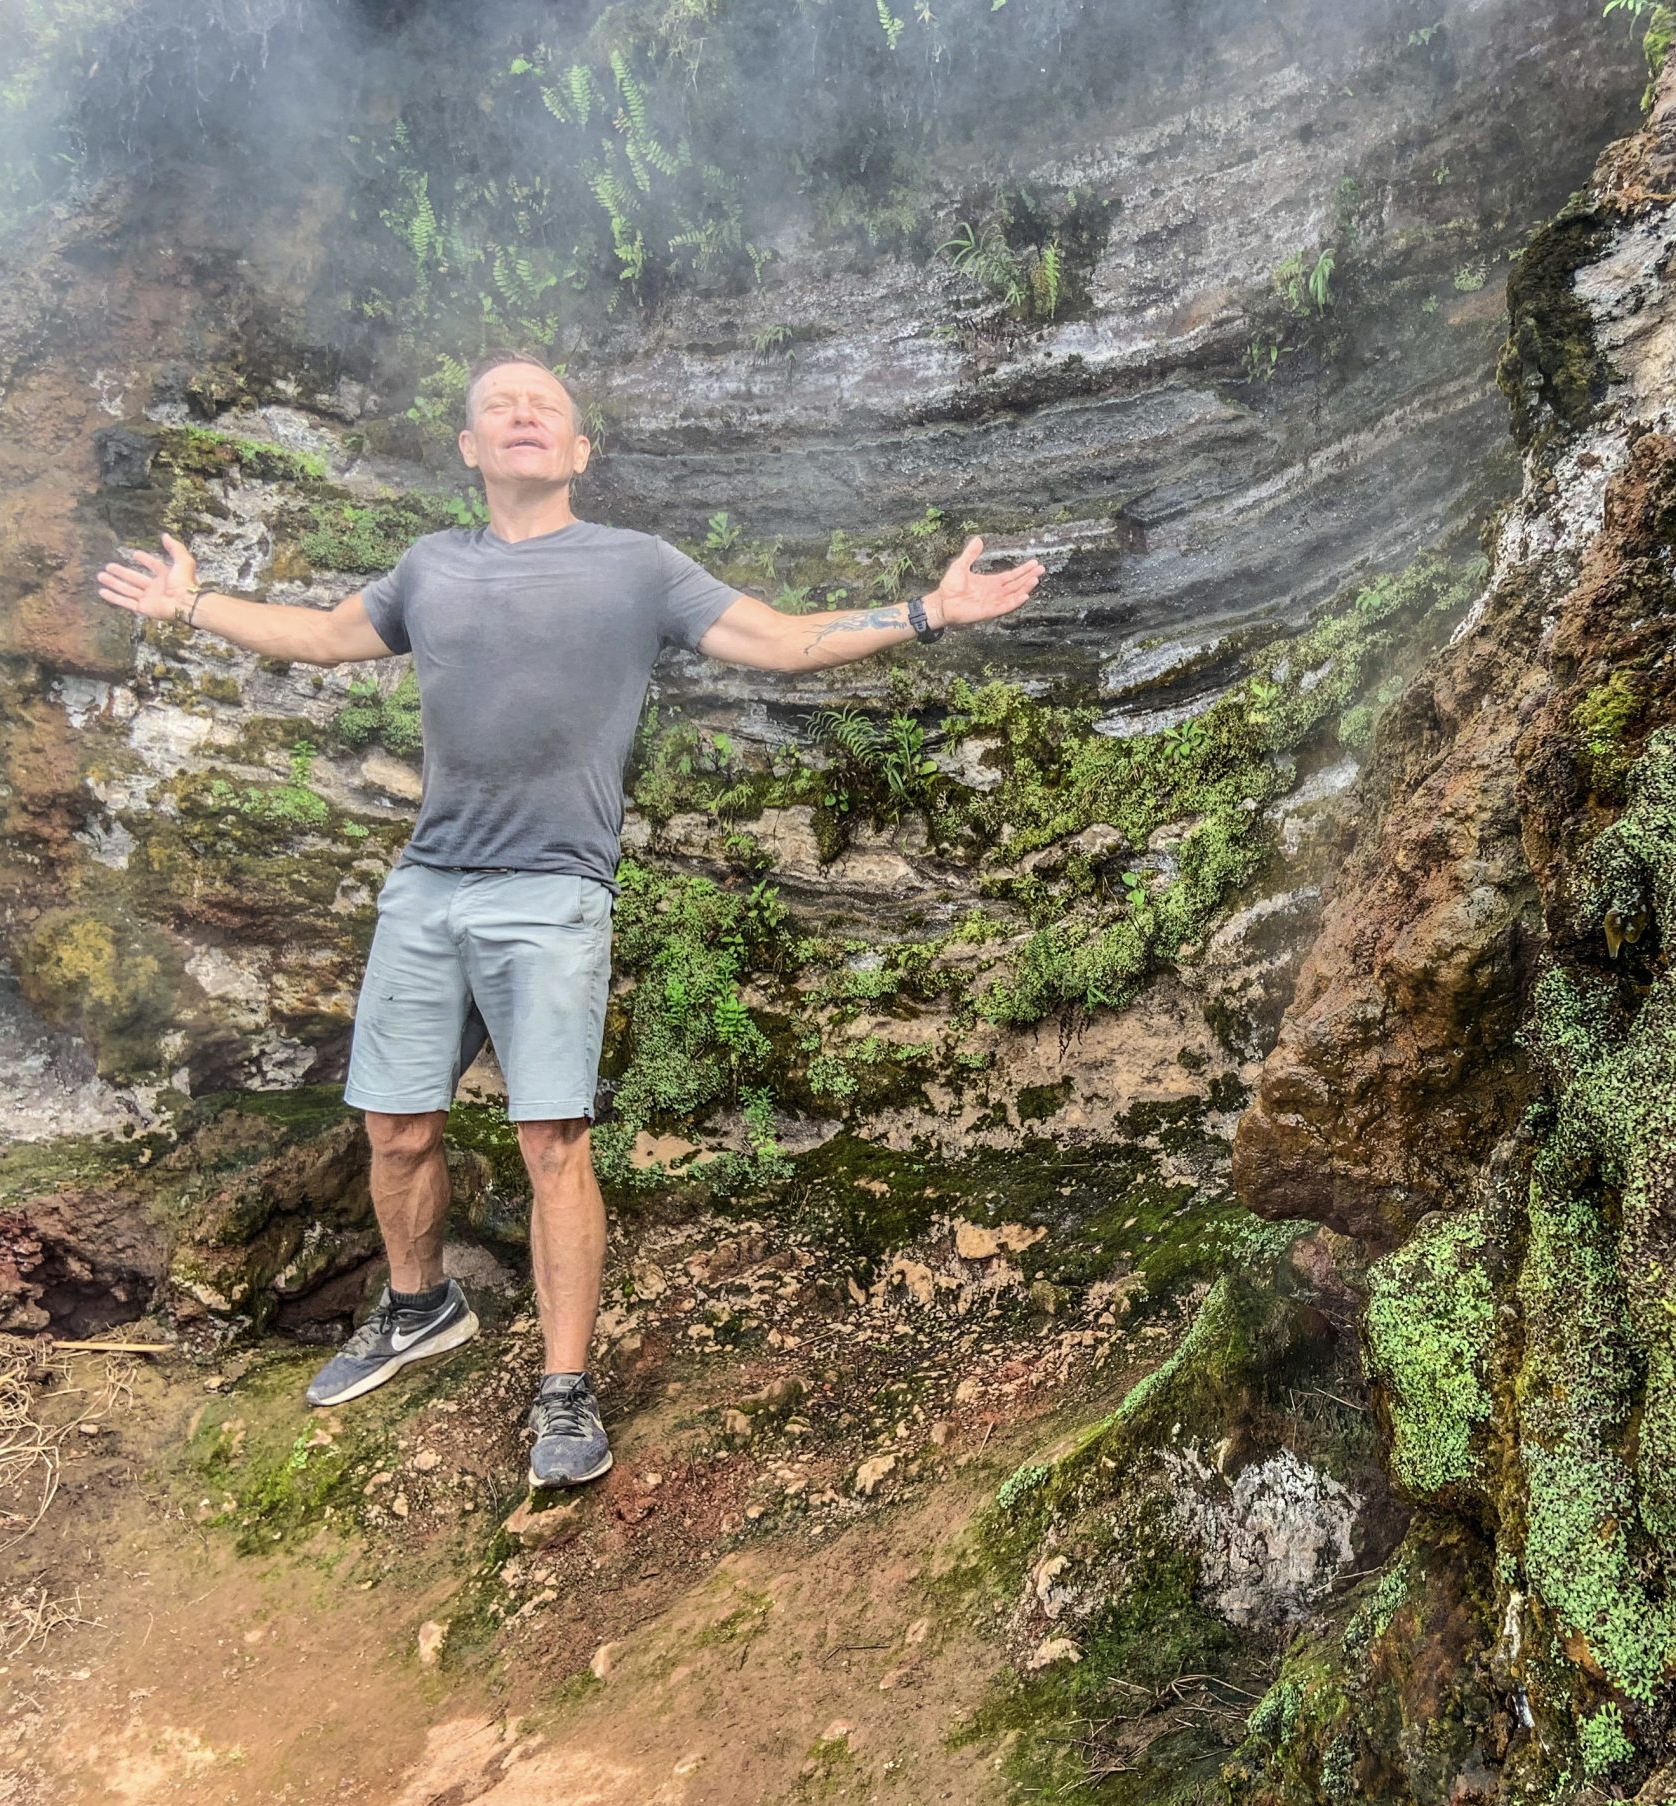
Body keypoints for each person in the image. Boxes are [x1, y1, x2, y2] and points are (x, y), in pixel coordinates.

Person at [95, 350, 1044, 1488]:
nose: (524, 414)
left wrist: (930, 610)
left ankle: (562, 1389)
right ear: (470, 449)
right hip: (427, 885)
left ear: (580, 451)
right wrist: (189, 604)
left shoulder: (635, 567)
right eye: (499, 404)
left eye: (546, 404)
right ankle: (418, 1307)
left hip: (552, 891)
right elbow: (325, 635)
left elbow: (783, 639)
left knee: (552, 1142)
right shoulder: (428, 567)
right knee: (395, 1126)